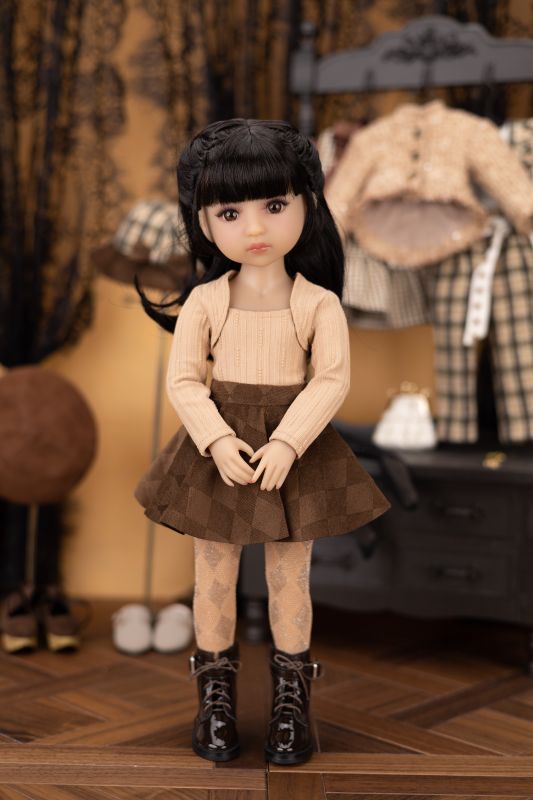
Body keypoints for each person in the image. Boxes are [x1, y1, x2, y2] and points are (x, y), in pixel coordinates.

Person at [135, 118, 390, 765]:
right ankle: (214, 699)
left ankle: (291, 705)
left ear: (306, 203)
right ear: (203, 221)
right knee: (213, 575)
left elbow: (330, 380)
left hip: (291, 454)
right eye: (230, 213)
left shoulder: (317, 304)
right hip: (217, 455)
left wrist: (288, 443)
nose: (254, 228)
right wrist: (218, 440)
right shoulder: (205, 302)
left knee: (290, 578)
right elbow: (185, 380)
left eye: (274, 206)